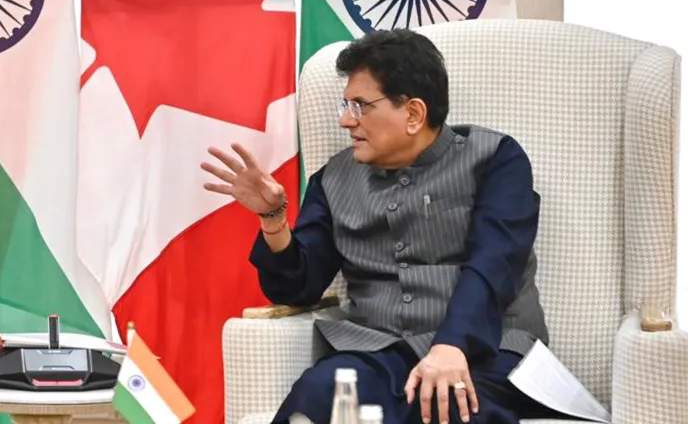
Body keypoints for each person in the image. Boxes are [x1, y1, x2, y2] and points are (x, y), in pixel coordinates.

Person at [203, 29, 567, 424]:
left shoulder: (495, 159)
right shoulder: (333, 180)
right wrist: (273, 218)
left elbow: (495, 263)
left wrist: (452, 344)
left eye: (360, 106)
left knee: (450, 407)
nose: (345, 120)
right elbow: (298, 287)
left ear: (413, 114)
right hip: (381, 353)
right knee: (320, 391)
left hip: (487, 350)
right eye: (346, 105)